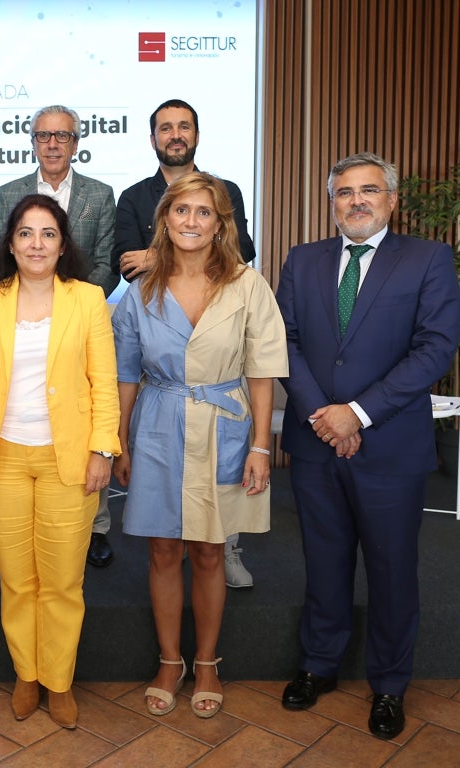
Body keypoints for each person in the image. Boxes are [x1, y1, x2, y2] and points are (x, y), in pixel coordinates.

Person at [275, 152, 460, 739]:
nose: (356, 201)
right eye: (344, 193)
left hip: (389, 445)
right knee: (323, 562)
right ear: (331, 202)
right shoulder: (302, 261)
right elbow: (286, 342)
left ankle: (388, 684)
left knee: (391, 569)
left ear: (391, 199)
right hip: (314, 443)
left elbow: (434, 348)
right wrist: (321, 416)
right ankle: (319, 664)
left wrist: (356, 414)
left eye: (369, 191)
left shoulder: (428, 259)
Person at [112, 173, 287, 719]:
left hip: (224, 426)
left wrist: (261, 446)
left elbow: (262, 372)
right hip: (158, 423)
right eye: (181, 210)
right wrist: (118, 442)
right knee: (163, 548)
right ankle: (170, 660)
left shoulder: (248, 284)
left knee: (210, 549)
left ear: (220, 223)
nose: (191, 221)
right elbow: (124, 375)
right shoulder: (138, 290)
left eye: (203, 212)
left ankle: (207, 661)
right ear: (164, 218)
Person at [0, 194, 120, 730]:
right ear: (10, 242)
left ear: (63, 243)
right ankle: (27, 673)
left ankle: (59, 681)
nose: (37, 243)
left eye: (48, 233)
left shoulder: (88, 299)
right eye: (26, 233)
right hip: (1, 459)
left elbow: (105, 383)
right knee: (18, 581)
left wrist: (102, 449)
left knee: (64, 582)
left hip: (68, 461)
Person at [114, 98, 258, 588]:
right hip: (164, 401)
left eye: (184, 126)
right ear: (152, 137)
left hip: (219, 393)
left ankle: (228, 548)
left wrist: (162, 254)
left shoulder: (228, 189)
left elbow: (241, 254)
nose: (175, 134)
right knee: (164, 546)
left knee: (213, 543)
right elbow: (127, 264)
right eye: (165, 127)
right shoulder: (133, 195)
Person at [0, 104, 120, 569]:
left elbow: (107, 261)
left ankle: (95, 527)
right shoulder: (10, 193)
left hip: (79, 322)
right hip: (22, 313)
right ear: (32, 141)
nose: (52, 144)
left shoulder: (100, 194)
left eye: (62, 136)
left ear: (76, 143)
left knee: (81, 412)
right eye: (44, 135)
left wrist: (71, 299)